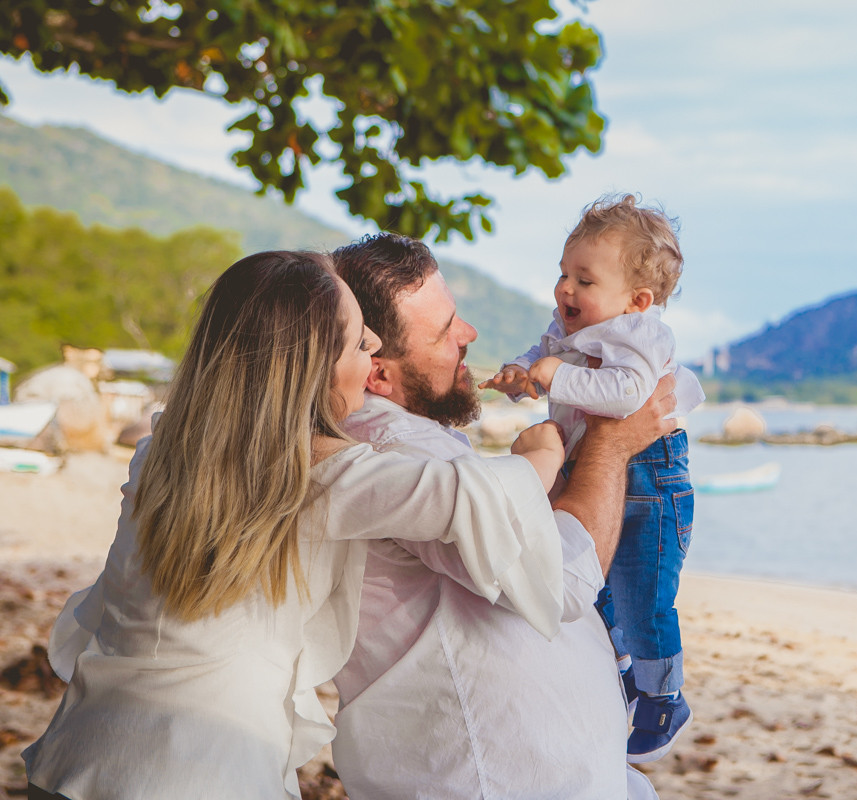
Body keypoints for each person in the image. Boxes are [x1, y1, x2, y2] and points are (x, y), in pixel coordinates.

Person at [22, 250, 570, 800]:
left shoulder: (161, 451)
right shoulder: (327, 476)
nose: (376, 347)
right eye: (360, 342)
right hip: (207, 775)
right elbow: (476, 500)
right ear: (311, 369)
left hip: (76, 756)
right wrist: (541, 454)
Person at [331, 233, 676, 799]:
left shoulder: (412, 440)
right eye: (445, 332)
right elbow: (563, 580)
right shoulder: (396, 453)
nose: (468, 335)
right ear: (379, 374)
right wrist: (612, 442)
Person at [480, 194, 705, 762]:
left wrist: (555, 377)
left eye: (584, 279)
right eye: (563, 274)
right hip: (601, 469)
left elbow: (628, 394)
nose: (566, 290)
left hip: (653, 480)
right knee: (594, 581)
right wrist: (523, 374)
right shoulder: (567, 332)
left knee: (644, 592)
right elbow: (542, 360)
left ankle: (664, 695)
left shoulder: (640, 336)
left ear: (637, 301)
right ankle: (622, 668)